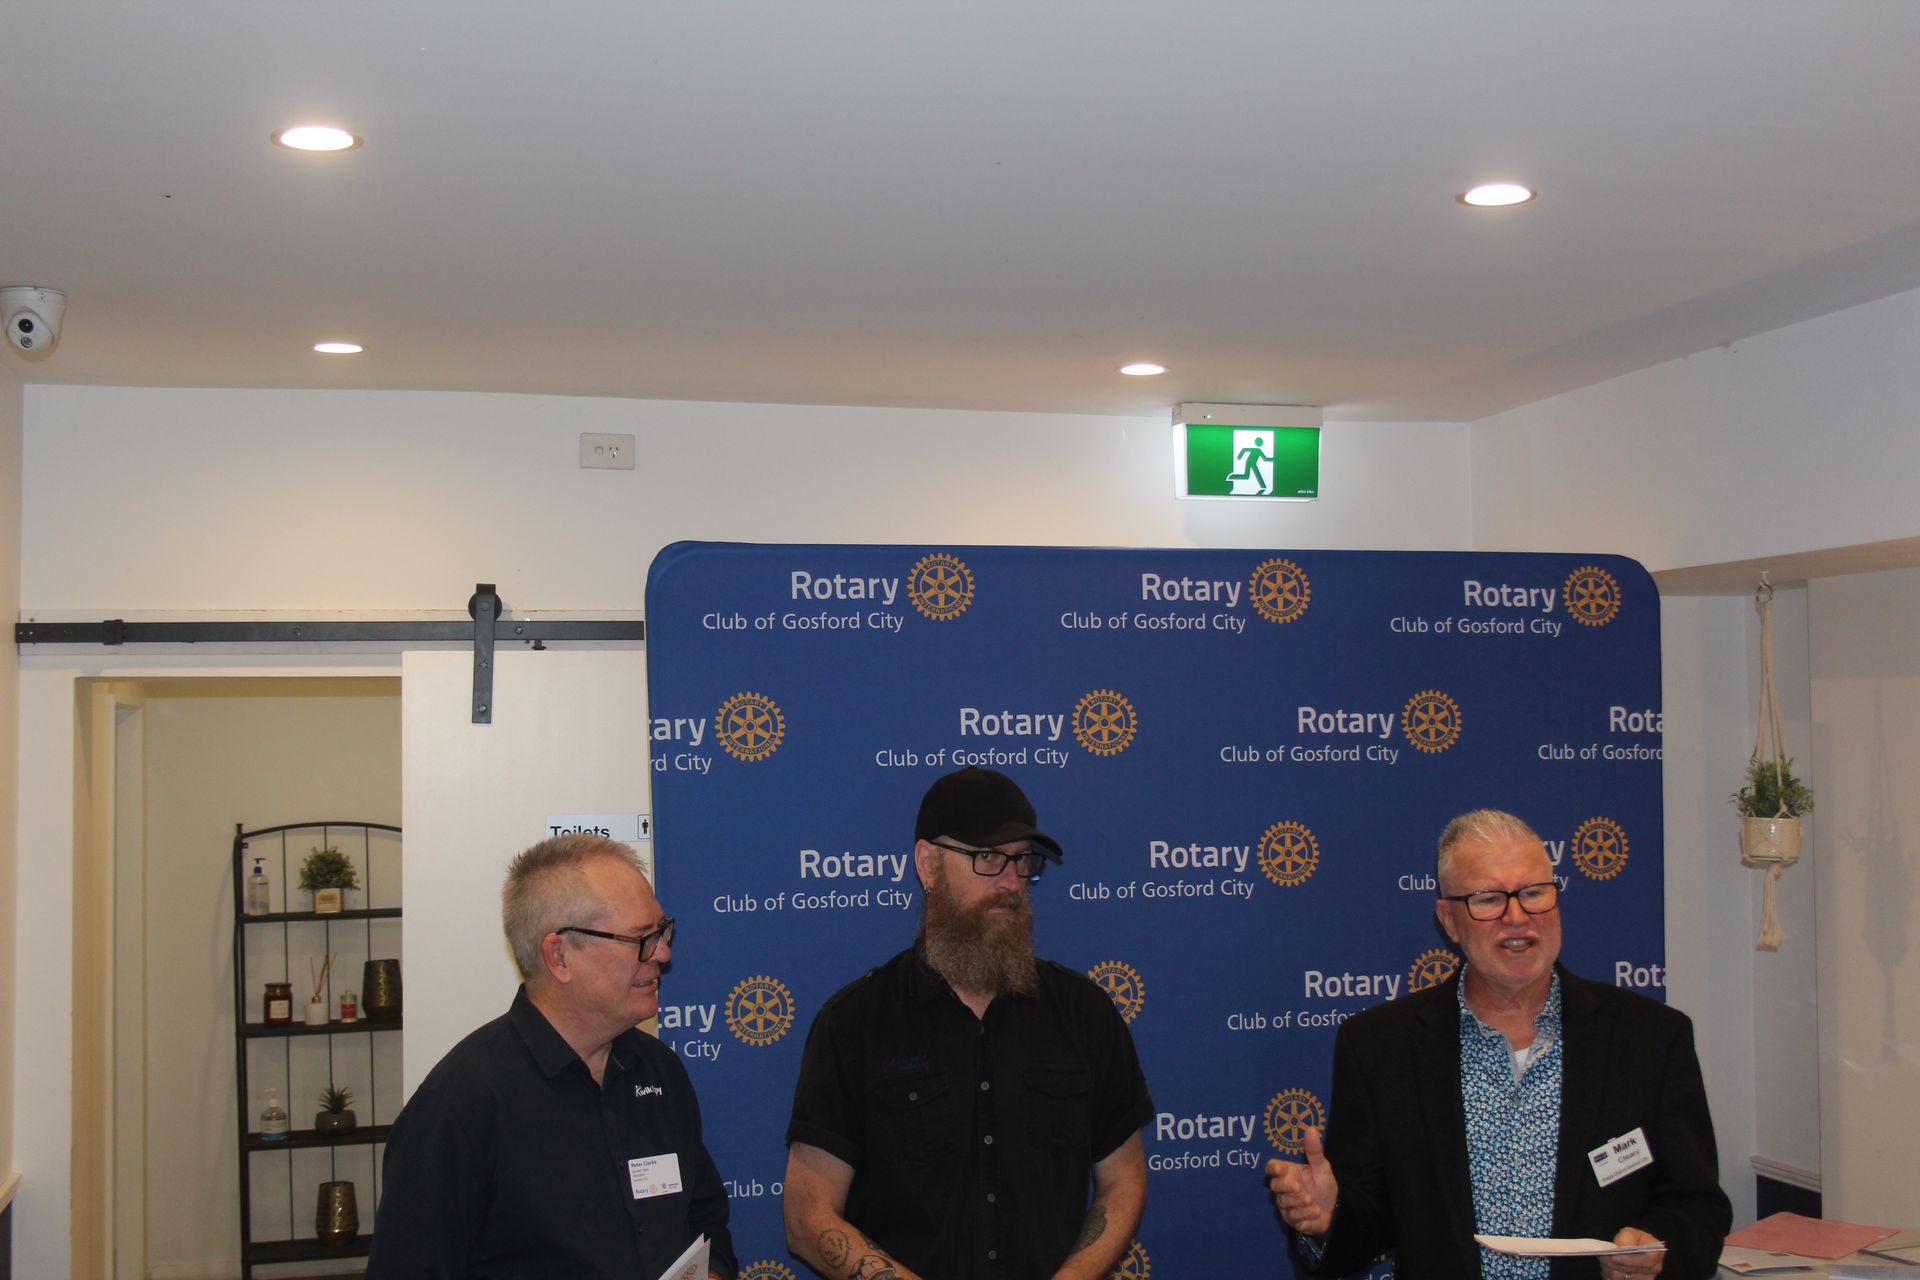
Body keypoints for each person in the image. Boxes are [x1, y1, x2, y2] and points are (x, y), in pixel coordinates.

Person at [1267, 809, 1731, 1280]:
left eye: (1534, 893)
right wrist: (1328, 1220)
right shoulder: (1379, 1047)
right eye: (1488, 899)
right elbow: (1371, 1221)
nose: (1517, 917)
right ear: (1449, 920)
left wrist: (1655, 1247)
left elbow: (1696, 1204)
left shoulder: (1650, 1037)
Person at [783, 767, 1153, 1280]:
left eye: (1023, 860)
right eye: (988, 858)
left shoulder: (1083, 1013)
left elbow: (1124, 1179)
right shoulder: (855, 1025)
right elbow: (807, 1217)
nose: (1011, 882)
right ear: (928, 864)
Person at [367, 834, 736, 1279]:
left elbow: (706, 1223)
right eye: (641, 938)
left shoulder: (660, 1070)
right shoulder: (460, 1106)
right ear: (559, 955)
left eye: (661, 931)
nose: (663, 953)